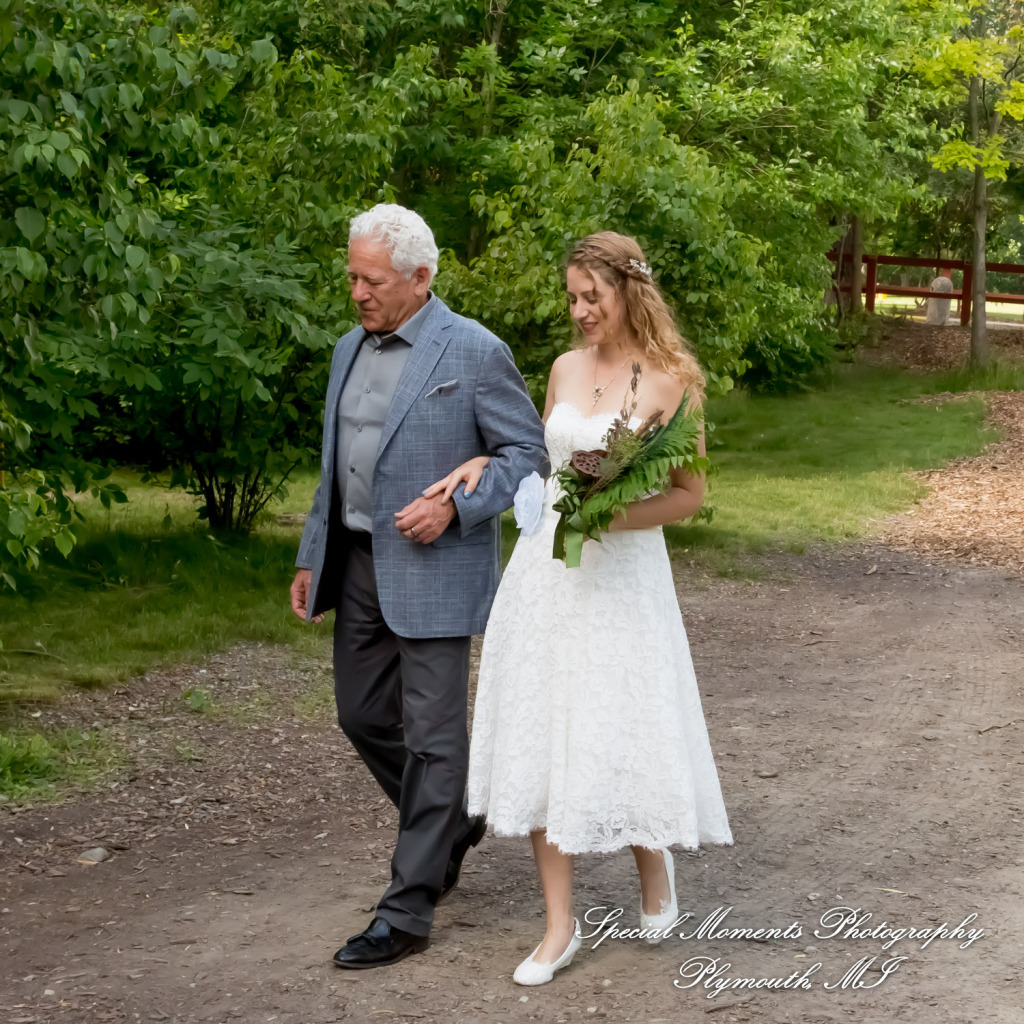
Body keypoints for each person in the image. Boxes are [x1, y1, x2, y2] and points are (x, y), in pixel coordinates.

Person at [429, 231, 733, 986]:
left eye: (590, 296)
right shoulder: (564, 369)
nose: (579, 311)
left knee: (618, 722)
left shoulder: (671, 382)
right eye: (571, 298)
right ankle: (559, 926)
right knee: (542, 727)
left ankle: (652, 861)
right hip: (546, 575)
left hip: (622, 578)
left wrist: (607, 516)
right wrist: (486, 460)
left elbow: (689, 496)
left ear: (629, 291)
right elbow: (541, 460)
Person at [290, 204, 548, 970]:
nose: (357, 293)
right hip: (357, 565)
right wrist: (311, 554)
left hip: (436, 570)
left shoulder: (474, 350)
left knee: (434, 740)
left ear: (420, 277)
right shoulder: (346, 349)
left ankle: (407, 909)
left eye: (371, 280)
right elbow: (335, 467)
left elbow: (528, 456)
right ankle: (452, 822)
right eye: (352, 277)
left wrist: (456, 507)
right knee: (361, 715)